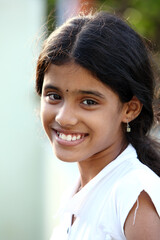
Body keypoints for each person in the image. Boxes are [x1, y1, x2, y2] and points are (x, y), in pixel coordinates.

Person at [36, 11, 160, 240]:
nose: (64, 118)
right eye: (53, 96)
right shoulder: (80, 190)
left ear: (130, 109)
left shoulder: (134, 196)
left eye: (89, 102)